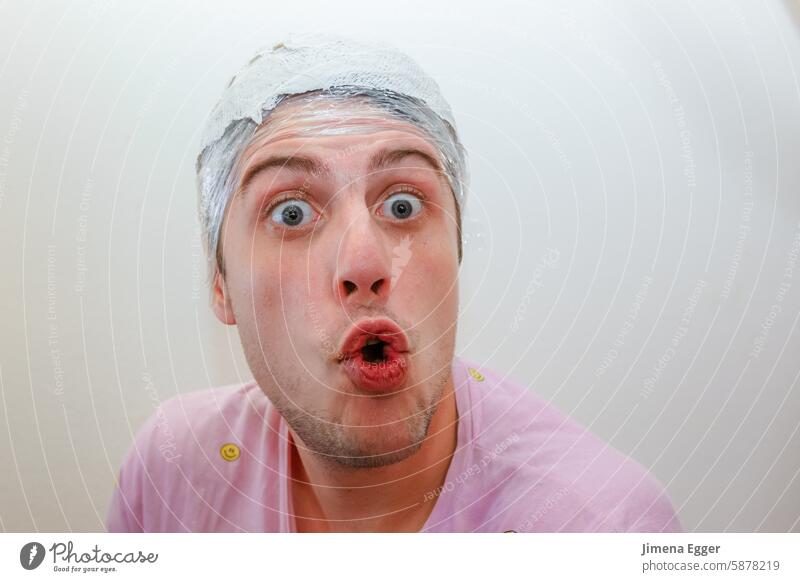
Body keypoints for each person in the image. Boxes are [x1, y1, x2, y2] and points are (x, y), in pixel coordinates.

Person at [106, 33, 682, 533]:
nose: (363, 264)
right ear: (221, 286)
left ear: (455, 252)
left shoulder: (600, 527)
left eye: (403, 205)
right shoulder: (171, 473)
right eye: (291, 213)